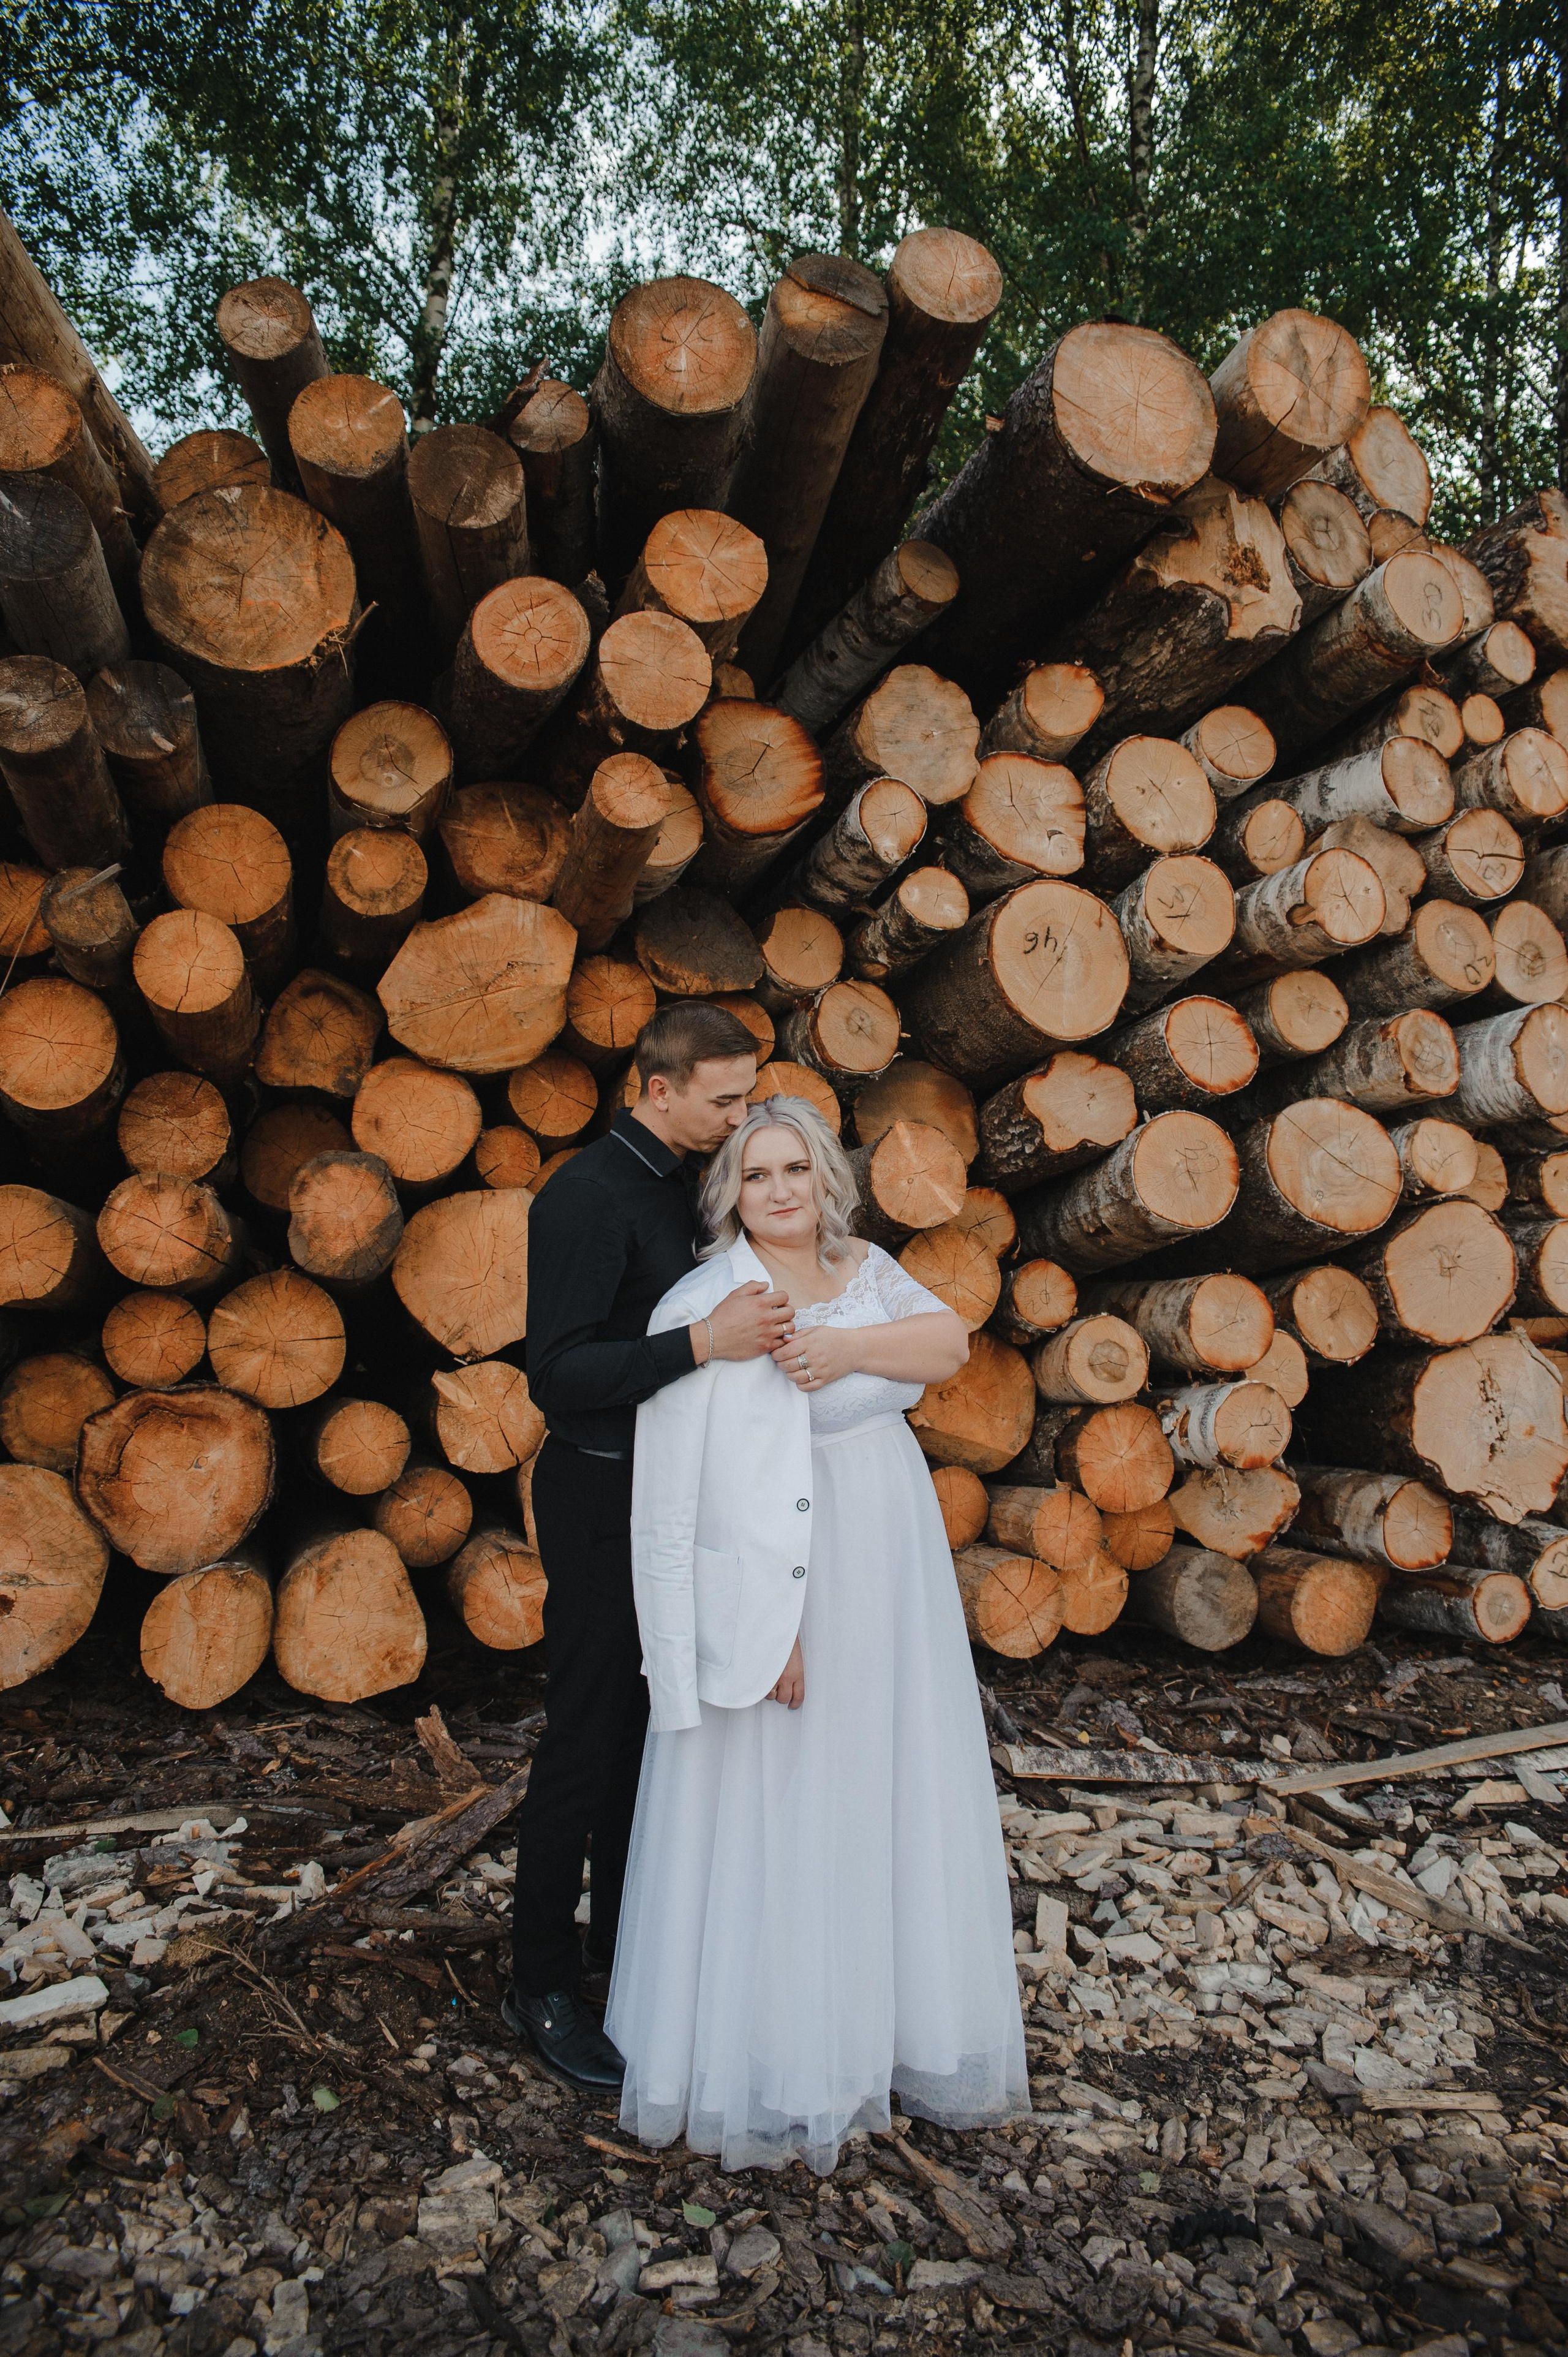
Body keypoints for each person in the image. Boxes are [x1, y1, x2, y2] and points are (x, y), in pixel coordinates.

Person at [608, 1097, 1030, 2172]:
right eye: (758, 1175)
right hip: (791, 1574)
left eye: (797, 1169)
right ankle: (791, 2053)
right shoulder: (713, 1302)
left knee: (884, 1778)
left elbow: (946, 1343)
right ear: (730, 1194)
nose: (782, 1190)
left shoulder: (864, 1266)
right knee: (792, 1792)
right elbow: (699, 1499)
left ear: (825, 1179)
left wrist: (843, 1350)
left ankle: (888, 2026)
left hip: (888, 1558)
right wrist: (765, 1634)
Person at [508, 1003, 794, 2092]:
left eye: (747, 1095)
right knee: (586, 1734)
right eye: (726, 1099)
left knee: (658, 1725)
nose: (743, 1116)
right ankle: (538, 1982)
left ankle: (620, 1953)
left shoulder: (698, 1182)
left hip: (687, 1499)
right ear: (657, 1087)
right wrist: (697, 1346)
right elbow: (559, 1372)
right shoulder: (585, 1197)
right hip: (602, 1492)